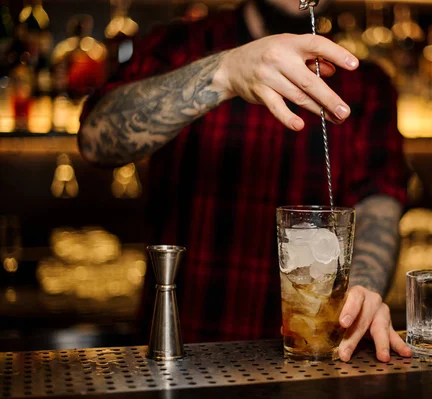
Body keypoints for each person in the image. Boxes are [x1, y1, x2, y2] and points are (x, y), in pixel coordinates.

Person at [78, 0, 412, 363]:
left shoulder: (366, 83)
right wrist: (224, 71)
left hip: (313, 360)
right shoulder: (180, 46)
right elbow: (96, 141)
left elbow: (379, 203)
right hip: (180, 354)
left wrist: (363, 289)